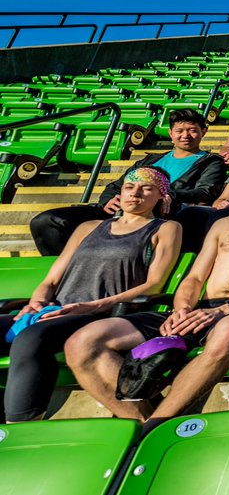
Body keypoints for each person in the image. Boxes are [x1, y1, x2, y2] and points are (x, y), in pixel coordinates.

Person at [64, 143, 229, 426]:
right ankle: (143, 420)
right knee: (83, 341)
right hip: (199, 310)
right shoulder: (223, 223)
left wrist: (227, 308)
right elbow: (194, 277)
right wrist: (182, 310)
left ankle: (157, 423)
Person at [1, 168, 182, 422]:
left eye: (147, 188)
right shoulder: (88, 227)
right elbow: (51, 279)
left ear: (162, 196)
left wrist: (92, 306)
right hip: (56, 309)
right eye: (129, 187)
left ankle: (20, 426)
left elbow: (154, 284)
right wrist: (36, 303)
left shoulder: (165, 228)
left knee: (32, 338)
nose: (135, 193)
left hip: (101, 313)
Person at [30, 109, 223, 256]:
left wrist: (165, 196)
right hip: (121, 209)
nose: (185, 136)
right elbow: (116, 186)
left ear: (204, 132)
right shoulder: (151, 160)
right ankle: (66, 272)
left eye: (192, 131)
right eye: (179, 131)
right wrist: (107, 201)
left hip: (159, 214)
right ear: (171, 133)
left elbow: (205, 191)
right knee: (46, 222)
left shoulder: (210, 161)